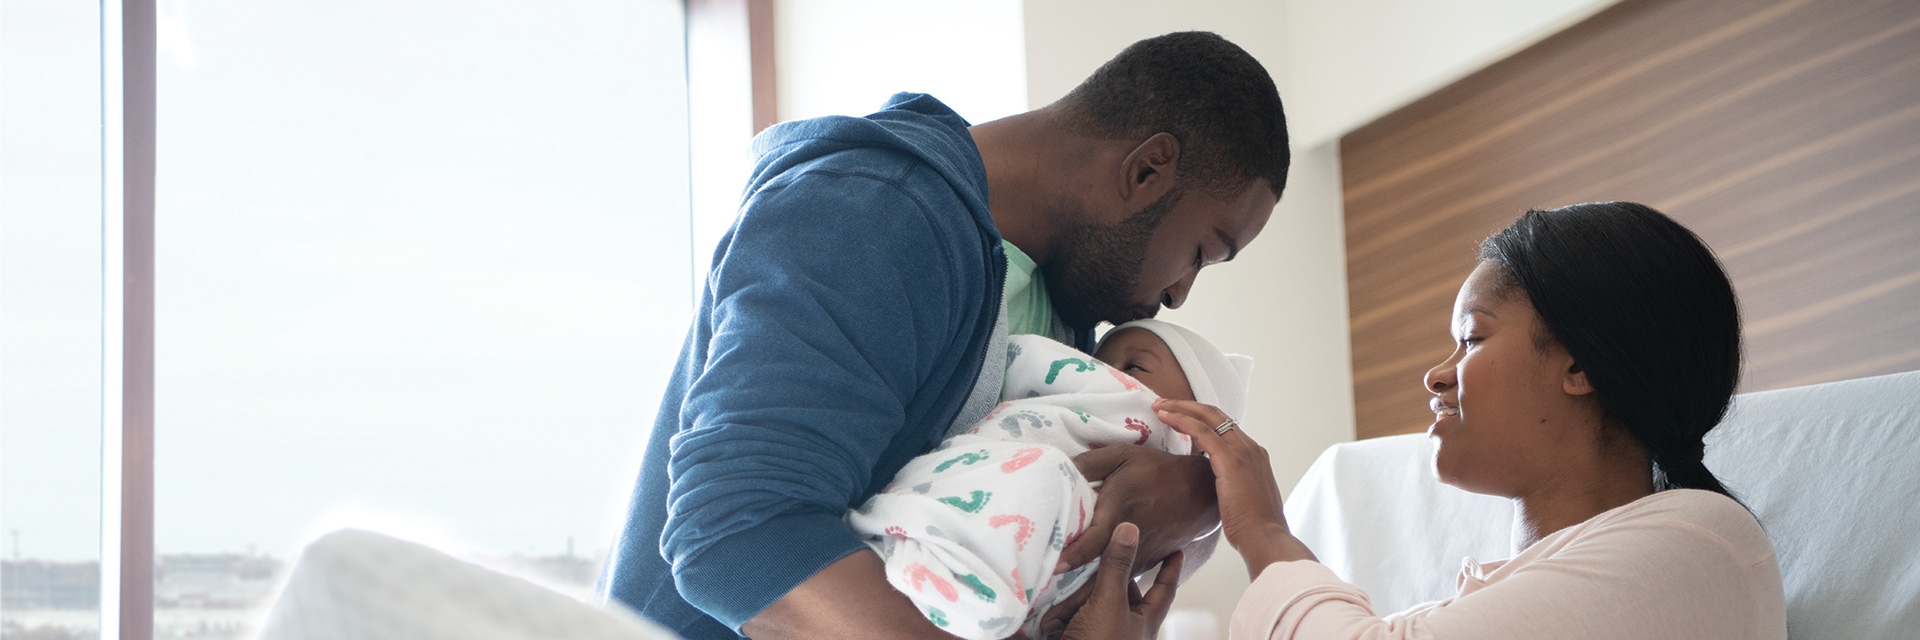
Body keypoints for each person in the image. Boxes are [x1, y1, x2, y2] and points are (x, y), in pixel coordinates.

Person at [598, 31, 1290, 640]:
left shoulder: (1063, 309)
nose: (1178, 294)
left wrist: (1193, 492)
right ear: (1145, 171)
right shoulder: (863, 215)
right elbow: (736, 534)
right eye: (1202, 251)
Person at [1067, 202, 1787, 639]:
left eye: (1471, 338)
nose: (1436, 374)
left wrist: (1261, 530)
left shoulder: (1699, 543)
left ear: (1580, 365)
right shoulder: (1486, 599)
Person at [849, 320, 1253, 640]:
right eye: (1095, 359)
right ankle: (937, 549)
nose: (1102, 371)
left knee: (1050, 481)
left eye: (1133, 367)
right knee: (1044, 475)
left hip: (1041, 594)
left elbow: (1021, 354)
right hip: (990, 494)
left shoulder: (1170, 491)